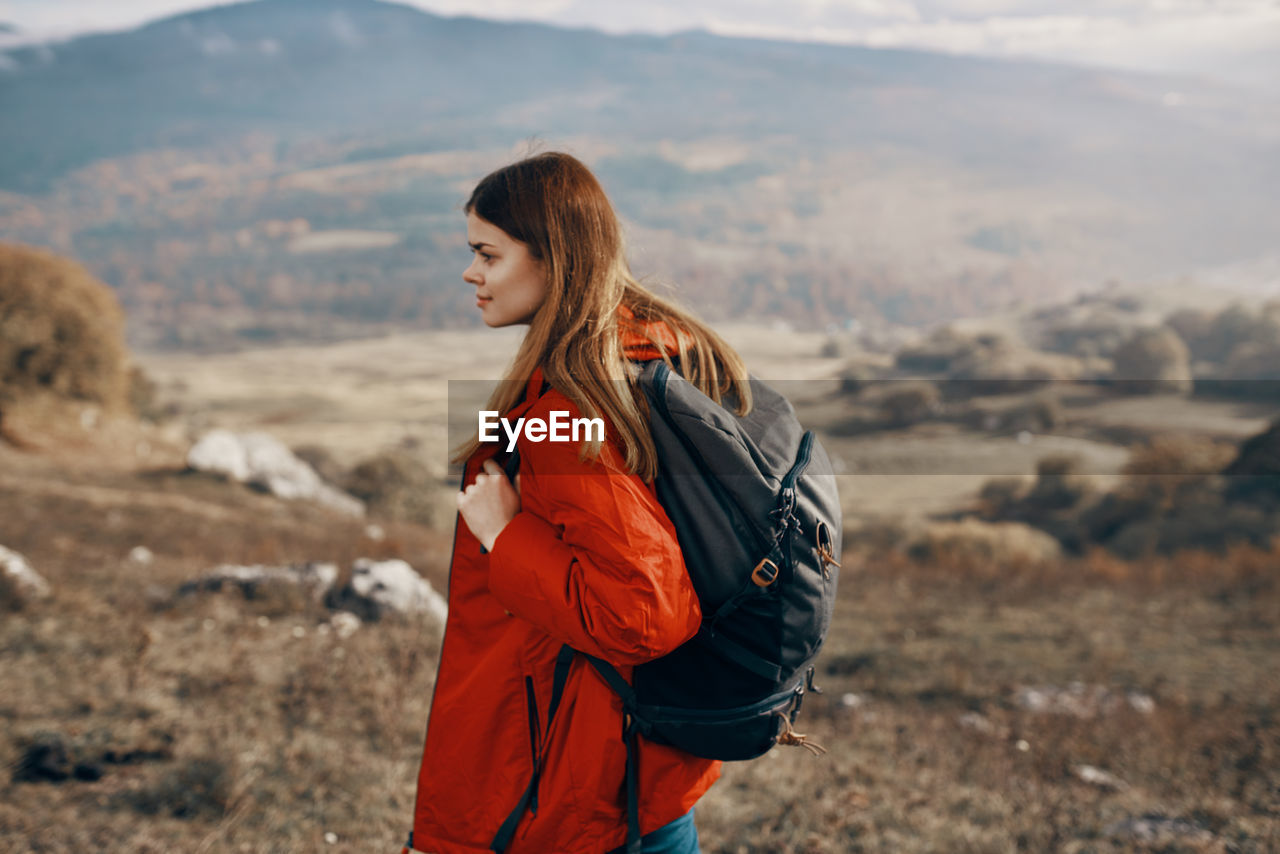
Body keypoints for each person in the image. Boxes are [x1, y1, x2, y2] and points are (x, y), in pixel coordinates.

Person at [403, 151, 754, 854]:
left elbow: (643, 611)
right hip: (636, 768)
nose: (471, 274)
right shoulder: (655, 350)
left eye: (487, 254)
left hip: (579, 791)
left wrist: (504, 538)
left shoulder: (573, 411)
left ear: (554, 257)